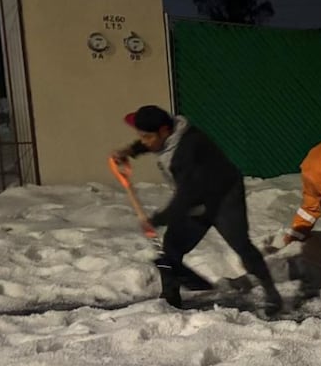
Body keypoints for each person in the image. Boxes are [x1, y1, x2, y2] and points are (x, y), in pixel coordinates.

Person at [111, 105, 283, 314]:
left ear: (165, 131)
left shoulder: (187, 151)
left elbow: (187, 197)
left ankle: (272, 294)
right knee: (171, 248)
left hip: (224, 198)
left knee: (241, 245)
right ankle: (170, 298)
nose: (145, 141)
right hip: (194, 194)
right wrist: (132, 150)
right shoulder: (169, 136)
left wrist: (158, 219)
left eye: (147, 137)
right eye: (142, 137)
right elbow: (154, 145)